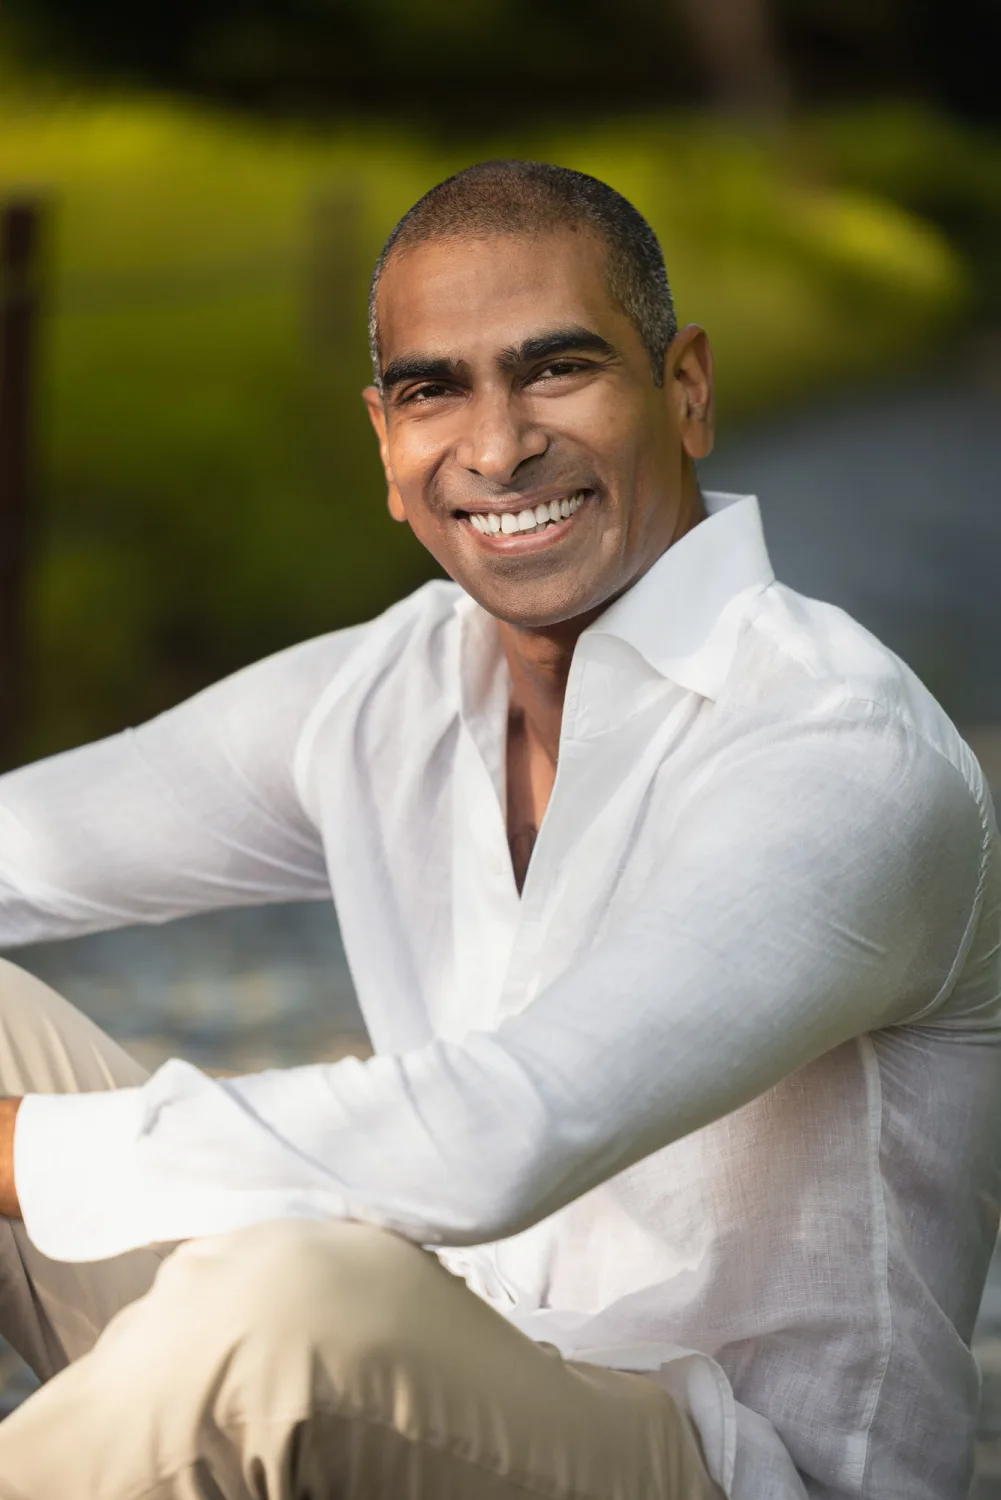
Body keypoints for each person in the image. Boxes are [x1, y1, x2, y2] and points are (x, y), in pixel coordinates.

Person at [0, 160, 997, 1500]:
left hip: (732, 1469)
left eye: (558, 369)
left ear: (686, 389)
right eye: (434, 389)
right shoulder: (391, 688)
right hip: (444, 1384)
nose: (498, 443)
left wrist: (21, 1152)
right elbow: (28, 844)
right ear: (386, 446)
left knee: (292, 1307)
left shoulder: (839, 751)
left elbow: (500, 1131)